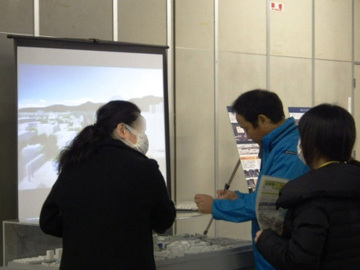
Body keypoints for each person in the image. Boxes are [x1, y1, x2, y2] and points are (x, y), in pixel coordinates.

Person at [40, 100, 176, 270]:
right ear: (122, 129)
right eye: (141, 128)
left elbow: (48, 220)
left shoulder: (75, 164)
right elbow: (163, 220)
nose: (143, 135)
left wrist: (85, 232)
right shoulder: (144, 167)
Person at [194, 89, 308, 270]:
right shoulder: (275, 144)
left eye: (246, 129)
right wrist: (237, 197)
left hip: (281, 254)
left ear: (263, 120)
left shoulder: (289, 152)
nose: (246, 136)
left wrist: (216, 206)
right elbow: (266, 194)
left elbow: (269, 205)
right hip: (271, 251)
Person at [255, 103, 360, 269]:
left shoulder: (310, 196)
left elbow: (299, 261)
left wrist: (265, 240)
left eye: (302, 137)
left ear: (312, 144)